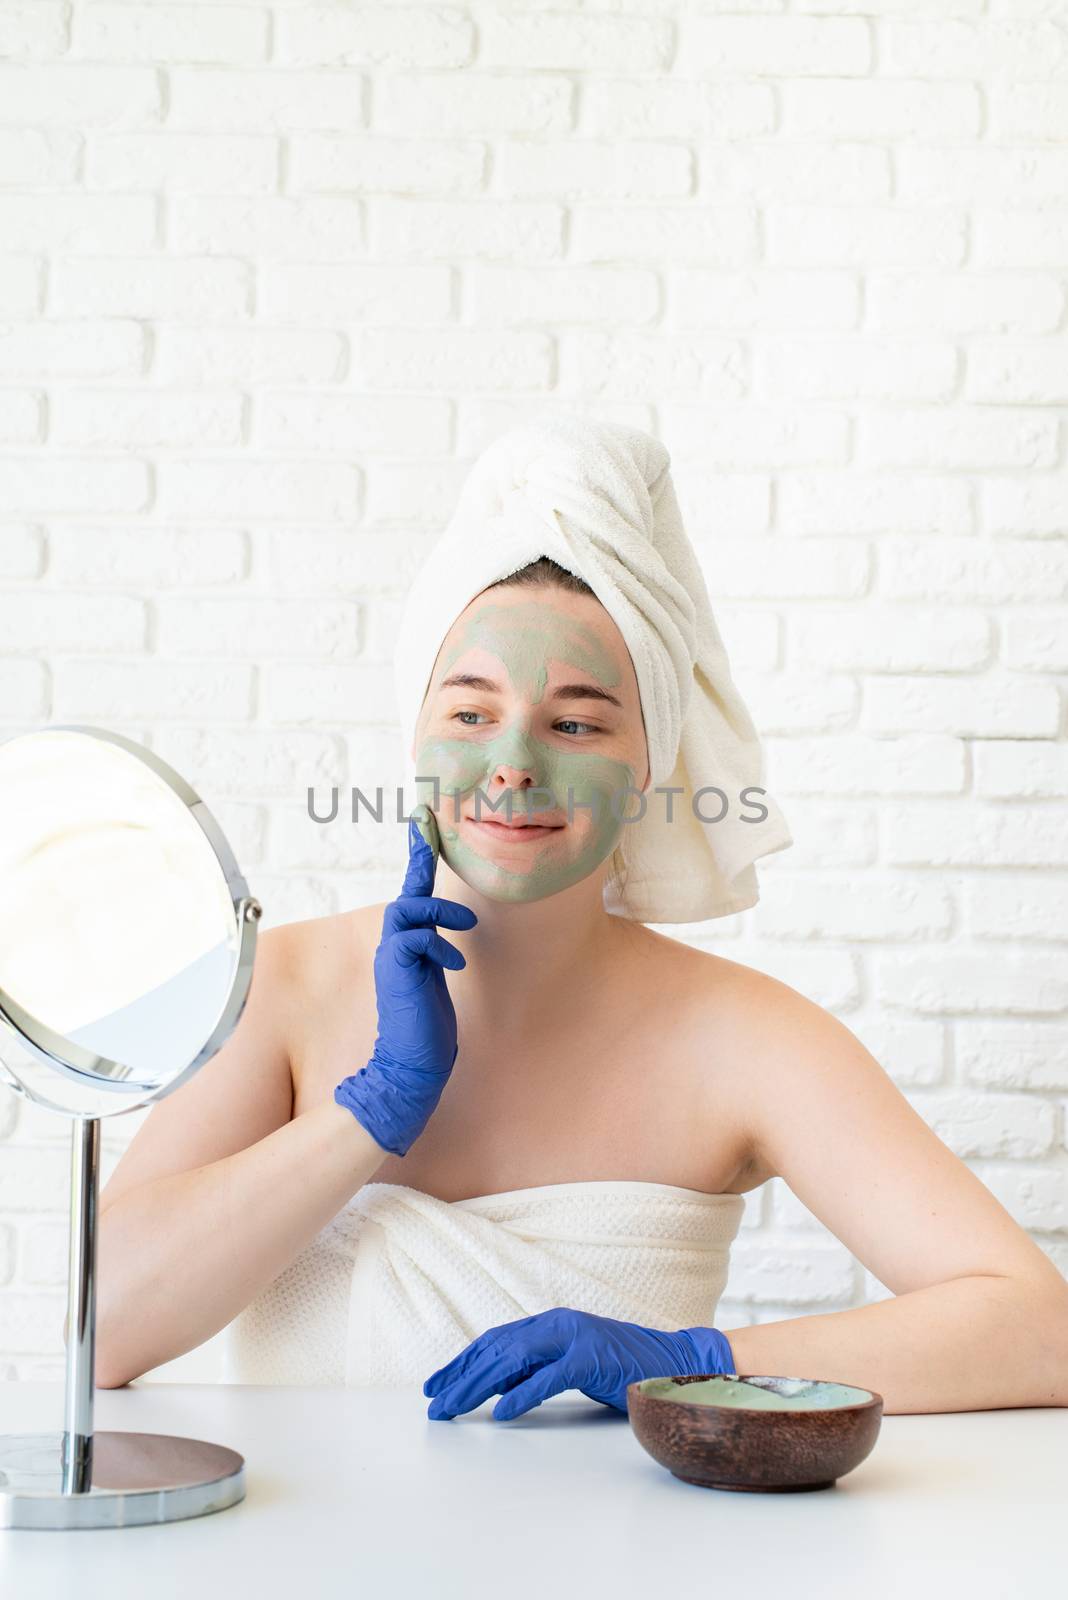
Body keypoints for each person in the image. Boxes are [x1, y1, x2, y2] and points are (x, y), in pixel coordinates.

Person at [94, 423, 1068, 1417]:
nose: (513, 763)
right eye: (470, 713)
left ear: (647, 765)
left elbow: (1040, 1332)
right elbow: (101, 1328)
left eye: (576, 723)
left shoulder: (747, 1039)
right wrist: (370, 1108)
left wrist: (686, 1358)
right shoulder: (283, 990)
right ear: (415, 731)